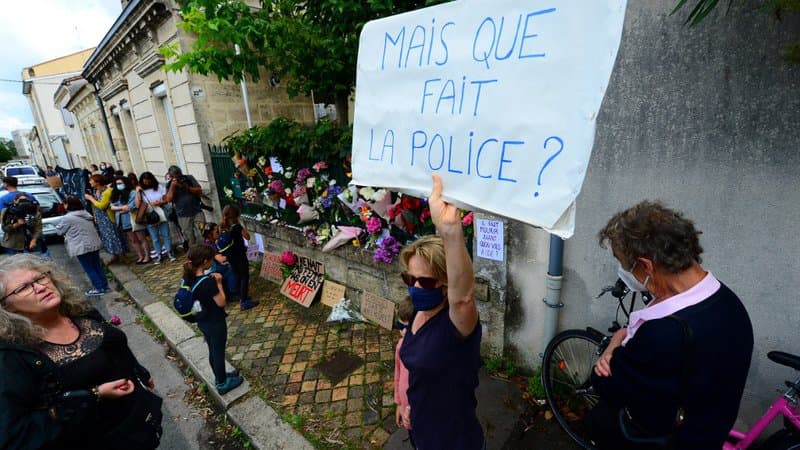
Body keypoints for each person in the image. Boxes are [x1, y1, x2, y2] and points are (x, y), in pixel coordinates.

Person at [586, 200, 753, 449]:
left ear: (646, 266)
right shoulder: (730, 303)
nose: (623, 271)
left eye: (623, 264)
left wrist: (613, 346)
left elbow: (609, 385)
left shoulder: (665, 333)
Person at [0, 254, 163, 450]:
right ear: (7, 307)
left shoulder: (80, 312)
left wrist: (138, 370)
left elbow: (114, 347)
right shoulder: (12, 357)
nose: (40, 287)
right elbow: (15, 436)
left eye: (40, 278)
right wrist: (93, 395)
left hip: (138, 427)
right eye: (24, 288)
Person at [398, 174, 483, 449]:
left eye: (425, 281)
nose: (415, 288)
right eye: (410, 279)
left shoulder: (457, 325)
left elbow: (464, 298)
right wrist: (405, 402)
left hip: (454, 440)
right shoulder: (414, 314)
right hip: (421, 431)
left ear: (446, 285)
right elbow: (416, 371)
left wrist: (450, 231)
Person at [183, 244, 243, 394]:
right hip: (215, 322)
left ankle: (220, 375)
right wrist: (219, 283)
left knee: (212, 349)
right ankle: (222, 383)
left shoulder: (188, 278)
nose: (213, 262)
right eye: (211, 260)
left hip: (203, 321)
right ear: (204, 262)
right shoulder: (208, 282)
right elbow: (222, 302)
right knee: (218, 352)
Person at [56, 197, 110, 296]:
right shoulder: (85, 214)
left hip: (81, 246)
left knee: (89, 268)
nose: (63, 206)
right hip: (93, 243)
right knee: (97, 265)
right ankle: (105, 286)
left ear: (68, 205)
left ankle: (98, 288)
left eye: (64, 204)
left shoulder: (67, 218)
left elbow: (60, 231)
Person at [220, 205, 259, 311]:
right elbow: (248, 236)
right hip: (240, 255)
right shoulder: (237, 227)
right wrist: (240, 226)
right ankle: (244, 301)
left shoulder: (223, 227)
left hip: (230, 256)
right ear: (236, 216)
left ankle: (240, 295)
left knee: (237, 275)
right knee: (244, 276)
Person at [84, 174, 126, 265]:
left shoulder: (107, 192)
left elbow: (102, 206)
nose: (90, 182)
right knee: (106, 237)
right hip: (101, 219)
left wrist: (91, 199)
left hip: (108, 218)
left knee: (114, 236)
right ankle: (114, 255)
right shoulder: (95, 191)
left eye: (91, 181)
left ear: (97, 182)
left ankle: (122, 255)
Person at [135, 171, 174, 264]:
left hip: (160, 212)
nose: (147, 183)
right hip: (149, 215)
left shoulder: (159, 187)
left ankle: (169, 252)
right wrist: (137, 191)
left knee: (166, 234)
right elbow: (137, 205)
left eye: (148, 181)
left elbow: (166, 199)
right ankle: (159, 254)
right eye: (145, 181)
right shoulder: (141, 190)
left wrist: (159, 203)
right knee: (155, 237)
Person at [110, 176, 150, 264]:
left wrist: (120, 209)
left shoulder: (132, 193)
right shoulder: (116, 194)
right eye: (117, 184)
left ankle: (147, 256)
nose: (118, 185)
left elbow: (131, 207)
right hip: (124, 222)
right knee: (133, 240)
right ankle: (140, 256)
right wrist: (121, 208)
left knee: (141, 238)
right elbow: (112, 206)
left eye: (120, 183)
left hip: (134, 218)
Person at [162, 165, 204, 248]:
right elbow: (168, 199)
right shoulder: (170, 184)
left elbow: (199, 190)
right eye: (175, 175)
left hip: (196, 210)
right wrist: (173, 186)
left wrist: (186, 187)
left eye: (179, 174)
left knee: (203, 232)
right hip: (183, 215)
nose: (178, 177)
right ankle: (194, 254)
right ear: (171, 176)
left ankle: (206, 250)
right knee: (189, 237)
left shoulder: (188, 178)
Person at [201, 222, 237, 298]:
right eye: (217, 232)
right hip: (211, 271)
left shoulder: (207, 242)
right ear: (210, 234)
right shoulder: (210, 246)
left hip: (210, 269)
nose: (219, 233)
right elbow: (221, 259)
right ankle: (232, 293)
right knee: (231, 268)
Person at [394, 296, 413, 435]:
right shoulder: (400, 346)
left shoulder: (427, 353)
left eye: (409, 327)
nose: (404, 331)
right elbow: (398, 374)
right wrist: (399, 403)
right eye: (401, 326)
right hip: (405, 405)